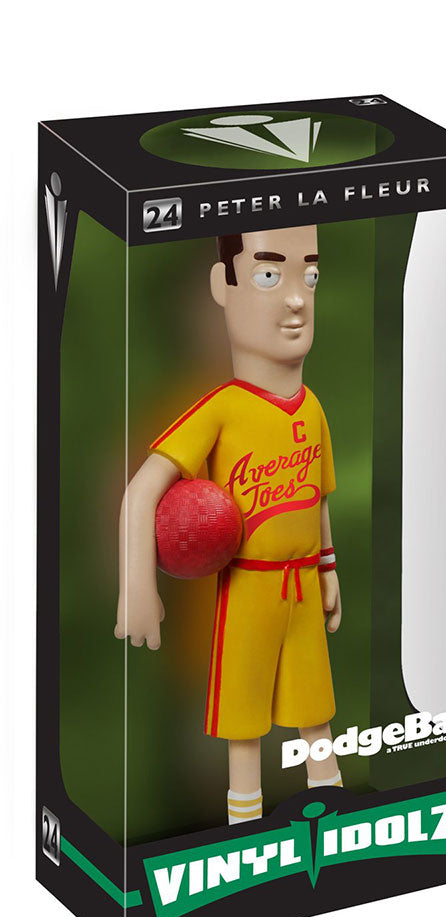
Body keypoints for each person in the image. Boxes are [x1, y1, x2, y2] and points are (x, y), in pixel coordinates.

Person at [115, 225, 343, 825]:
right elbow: (141, 491)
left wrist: (328, 568)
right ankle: (245, 820)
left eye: (310, 276)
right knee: (244, 717)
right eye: (269, 274)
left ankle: (332, 801)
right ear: (224, 285)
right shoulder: (221, 408)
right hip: (245, 587)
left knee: (314, 706)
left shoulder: (313, 408)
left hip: (302, 586)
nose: (296, 298)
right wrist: (137, 586)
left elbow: (317, 497)